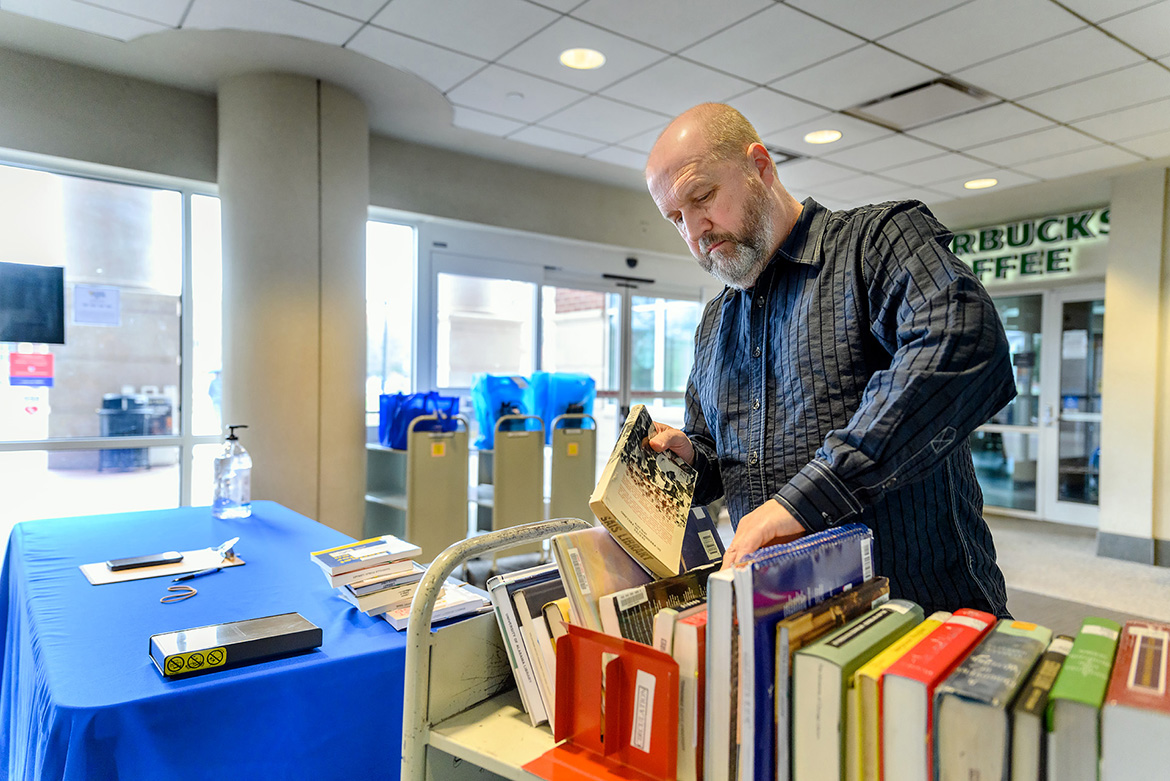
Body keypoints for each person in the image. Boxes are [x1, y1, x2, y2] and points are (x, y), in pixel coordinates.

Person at [645, 103, 1016, 617]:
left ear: (760, 167)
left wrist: (807, 500)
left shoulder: (878, 241)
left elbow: (964, 340)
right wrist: (692, 458)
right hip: (783, 628)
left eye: (703, 197)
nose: (695, 232)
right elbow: (723, 459)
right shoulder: (713, 326)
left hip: (918, 617)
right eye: (676, 219)